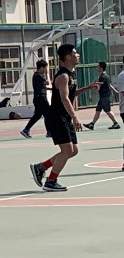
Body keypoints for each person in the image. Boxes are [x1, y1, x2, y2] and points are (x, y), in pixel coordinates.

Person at [31, 44, 83, 192]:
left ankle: (41, 167)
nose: (77, 55)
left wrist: (90, 87)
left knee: (73, 150)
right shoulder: (63, 76)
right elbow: (65, 98)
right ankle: (51, 181)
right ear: (68, 57)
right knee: (67, 150)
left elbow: (71, 94)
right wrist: (75, 117)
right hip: (58, 117)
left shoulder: (70, 75)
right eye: (75, 53)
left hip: (64, 117)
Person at [83, 61, 121, 130]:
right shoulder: (106, 76)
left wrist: (92, 95)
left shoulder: (103, 77)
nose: (97, 67)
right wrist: (115, 91)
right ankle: (92, 124)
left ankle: (116, 123)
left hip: (105, 97)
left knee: (108, 111)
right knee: (98, 110)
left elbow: (98, 87)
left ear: (101, 68)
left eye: (98, 66)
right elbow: (109, 85)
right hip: (103, 97)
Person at [20, 60, 50, 139]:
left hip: (38, 97)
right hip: (40, 98)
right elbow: (47, 82)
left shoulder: (38, 76)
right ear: (41, 67)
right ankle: (49, 131)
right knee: (48, 114)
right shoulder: (38, 75)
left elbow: (42, 87)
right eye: (45, 68)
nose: (46, 70)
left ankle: (26, 130)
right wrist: (47, 74)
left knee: (38, 115)